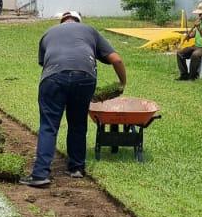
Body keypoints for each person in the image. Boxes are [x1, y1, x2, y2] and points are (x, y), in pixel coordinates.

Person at [21, 11, 126, 188]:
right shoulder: (89, 30)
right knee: (78, 123)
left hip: (53, 78)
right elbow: (116, 59)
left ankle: (40, 174)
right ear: (79, 22)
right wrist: (122, 83)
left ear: (62, 22)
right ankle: (76, 168)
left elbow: (45, 62)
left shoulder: (48, 33)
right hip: (84, 78)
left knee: (49, 126)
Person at [176, 0, 202, 80]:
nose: (199, 15)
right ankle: (184, 74)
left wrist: (198, 27)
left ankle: (192, 76)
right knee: (180, 53)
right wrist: (189, 36)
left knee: (195, 55)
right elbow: (195, 34)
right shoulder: (201, 22)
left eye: (200, 14)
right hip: (197, 46)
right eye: (199, 14)